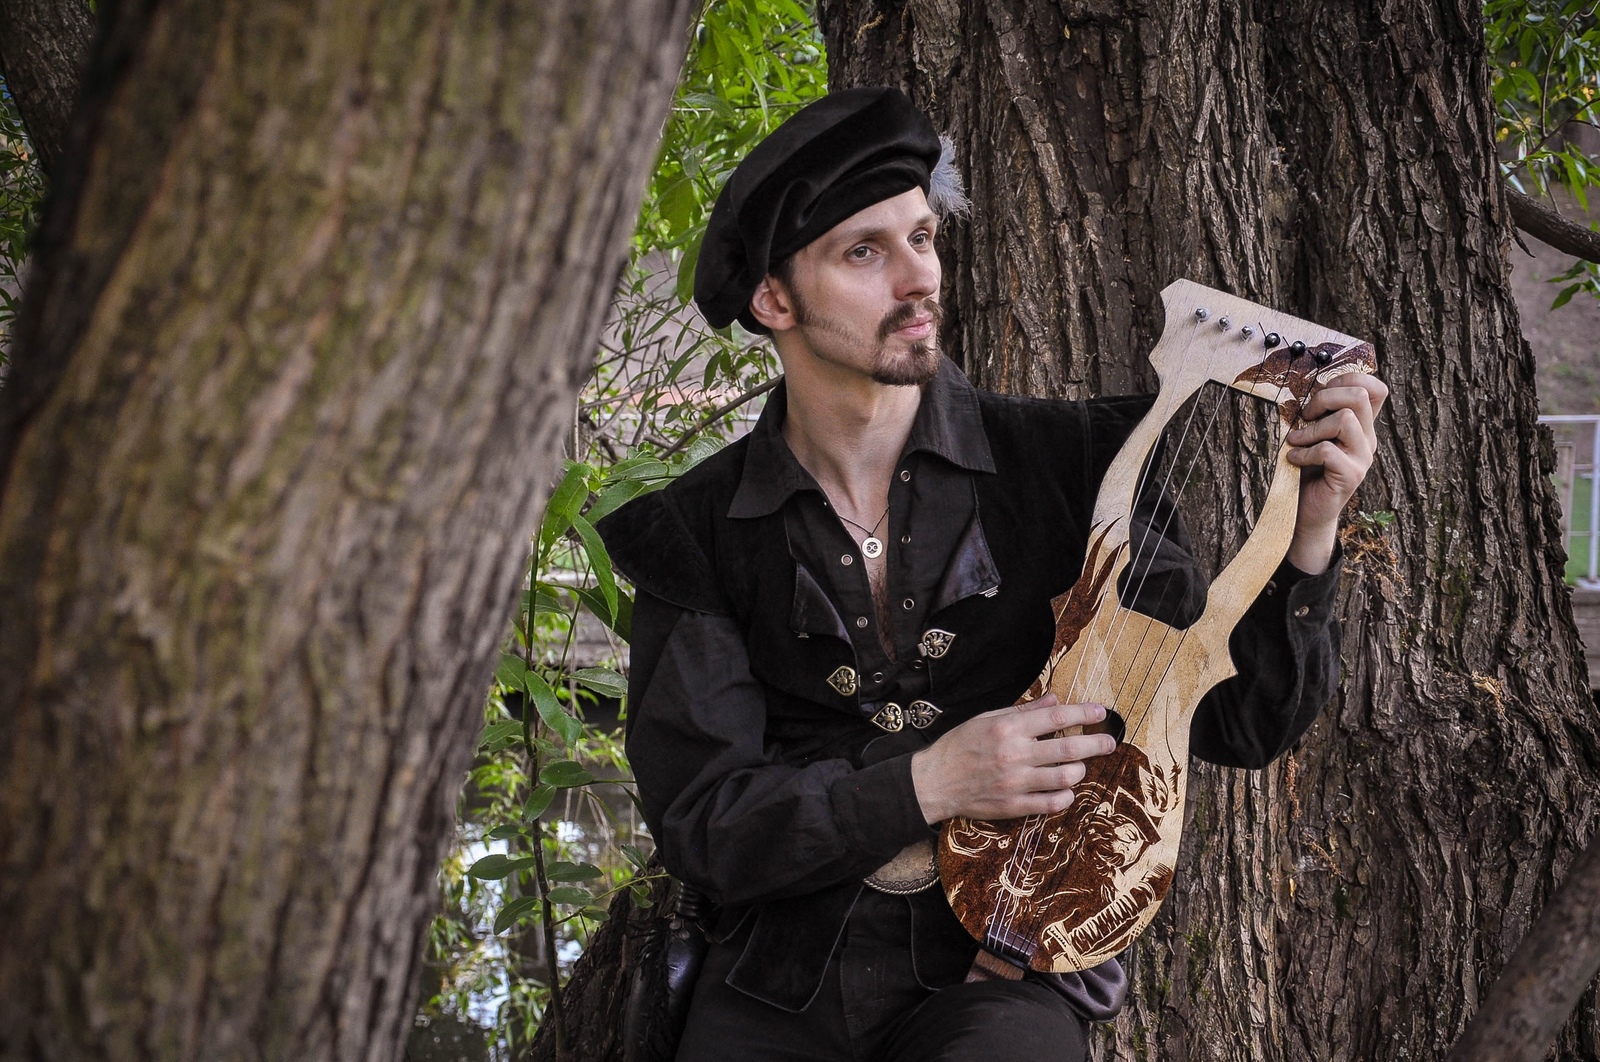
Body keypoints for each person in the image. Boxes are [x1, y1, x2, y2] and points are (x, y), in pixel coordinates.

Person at [597, 87, 1387, 1062]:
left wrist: (1309, 529)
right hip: (772, 988)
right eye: (863, 252)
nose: (916, 278)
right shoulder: (693, 531)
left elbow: (1240, 724)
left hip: (1004, 982)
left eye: (921, 238)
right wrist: (931, 780)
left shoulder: (1075, 467)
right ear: (774, 299)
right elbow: (704, 823)